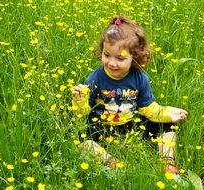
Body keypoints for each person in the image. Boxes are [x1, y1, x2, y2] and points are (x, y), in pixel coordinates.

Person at [71, 16, 187, 173]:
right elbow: (83, 114)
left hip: (132, 125)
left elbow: (148, 109)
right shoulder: (94, 79)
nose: (112, 62)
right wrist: (79, 101)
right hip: (102, 127)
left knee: (168, 124)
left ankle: (166, 162)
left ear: (135, 57)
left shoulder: (140, 78)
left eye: (120, 58)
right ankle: (112, 162)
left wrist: (168, 113)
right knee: (81, 138)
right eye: (107, 55)